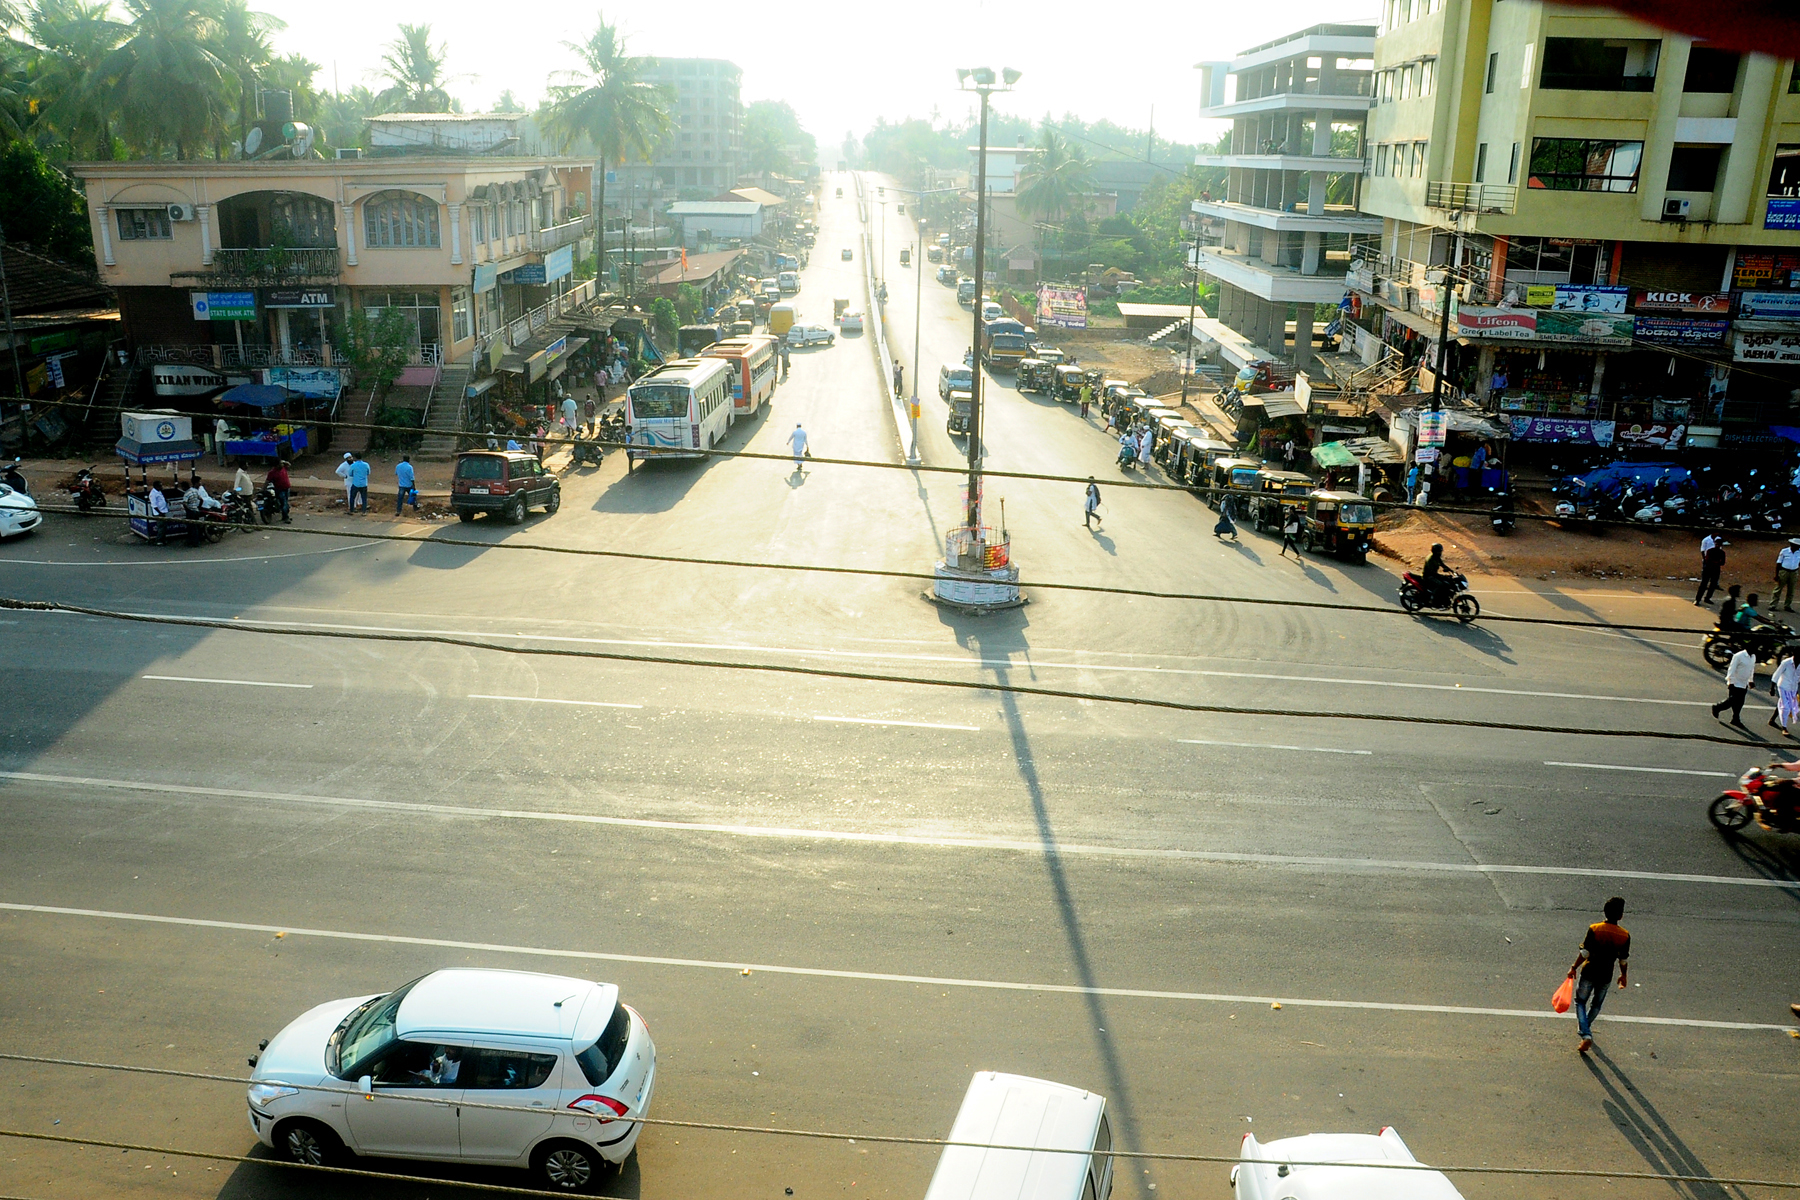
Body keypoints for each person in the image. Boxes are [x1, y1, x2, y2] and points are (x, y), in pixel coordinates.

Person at [1566, 896, 1629, 1054]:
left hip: (1589, 971)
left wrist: (1573, 967)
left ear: (1604, 912)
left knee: (1580, 1002)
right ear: (1620, 916)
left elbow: (1585, 953)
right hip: (1606, 975)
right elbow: (1623, 960)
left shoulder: (1595, 929)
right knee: (1596, 1005)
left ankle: (1585, 1033)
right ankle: (1586, 1028)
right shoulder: (1624, 935)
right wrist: (1623, 976)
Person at [1714, 646, 1755, 728]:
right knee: (1732, 701)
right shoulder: (1738, 656)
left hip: (1744, 683)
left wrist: (1750, 680)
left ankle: (1735, 719)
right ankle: (1717, 707)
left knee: (1740, 703)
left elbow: (1751, 669)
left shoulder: (1753, 657)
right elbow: (1731, 669)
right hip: (1736, 683)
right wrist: (1730, 682)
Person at [1772, 649, 1799, 734]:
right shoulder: (1786, 663)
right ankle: (1784, 727)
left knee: (1784, 703)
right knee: (1786, 707)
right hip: (1783, 686)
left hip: (1793, 688)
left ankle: (1772, 720)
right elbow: (1776, 674)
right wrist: (1772, 688)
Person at [1697, 534, 1727, 606]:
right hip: (1713, 569)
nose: (1717, 545)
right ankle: (1700, 599)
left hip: (1710, 569)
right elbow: (1721, 562)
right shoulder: (1716, 552)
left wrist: (1714, 562)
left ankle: (1702, 598)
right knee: (1706, 584)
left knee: (1709, 584)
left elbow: (1720, 562)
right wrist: (1716, 563)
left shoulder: (1712, 551)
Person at [1776, 538, 1800, 611]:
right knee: (1778, 589)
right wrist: (1777, 575)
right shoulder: (1784, 551)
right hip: (1784, 571)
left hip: (1794, 572)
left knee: (1791, 590)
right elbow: (1779, 563)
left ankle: (1787, 605)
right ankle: (1773, 605)